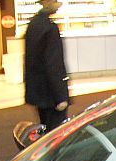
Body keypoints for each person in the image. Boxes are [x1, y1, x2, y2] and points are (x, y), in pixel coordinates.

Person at [25, 0, 70, 132]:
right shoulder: (50, 28)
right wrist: (60, 97)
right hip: (51, 95)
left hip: (39, 92)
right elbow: (53, 64)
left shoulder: (34, 24)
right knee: (56, 133)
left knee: (45, 128)